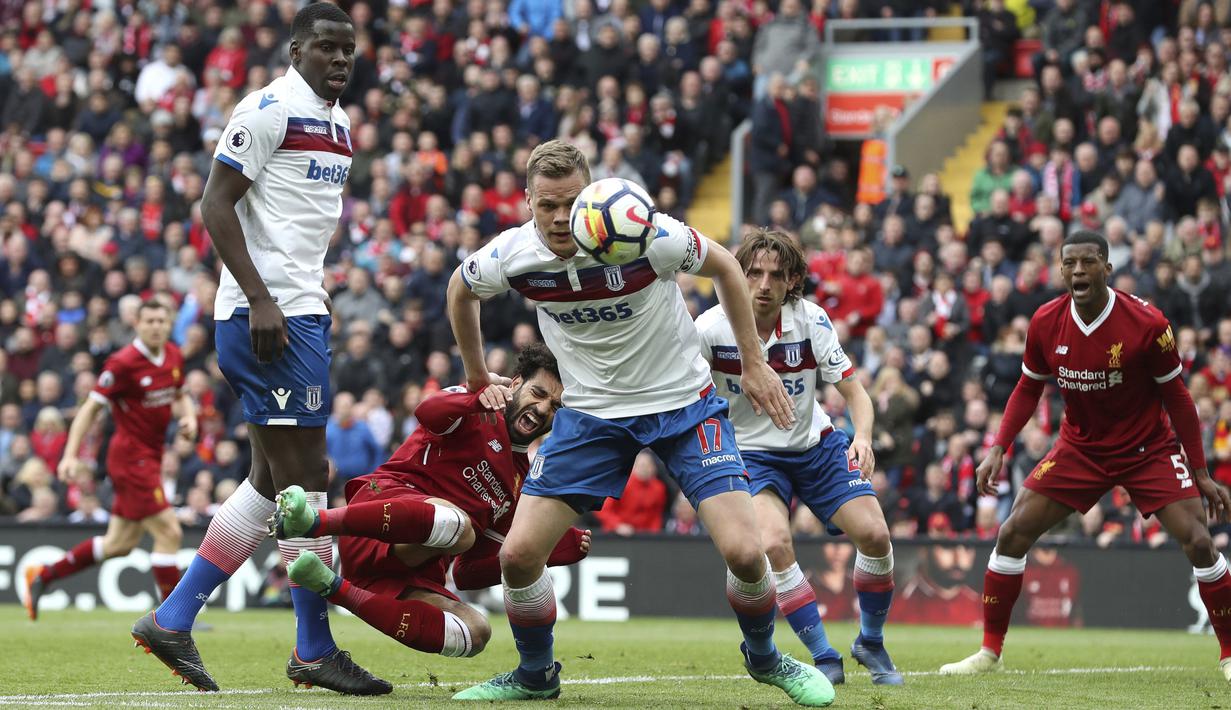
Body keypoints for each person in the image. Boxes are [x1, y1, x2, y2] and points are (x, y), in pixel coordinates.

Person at [447, 140, 833, 705]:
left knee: (748, 554)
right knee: (517, 556)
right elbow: (461, 289)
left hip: (682, 402)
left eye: (570, 203)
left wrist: (753, 363)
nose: (559, 218)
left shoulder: (643, 231)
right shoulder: (512, 255)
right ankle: (535, 676)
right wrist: (478, 374)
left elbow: (726, 265)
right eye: (546, 205)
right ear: (526, 200)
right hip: (592, 414)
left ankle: (766, 656)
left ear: (590, 196)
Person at [130, 4, 389, 696]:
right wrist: (263, 297)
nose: (340, 60)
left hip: (299, 307)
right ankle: (312, 648)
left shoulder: (336, 122)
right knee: (309, 480)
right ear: (297, 49)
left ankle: (173, 616)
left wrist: (311, 290)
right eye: (327, 48)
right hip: (265, 318)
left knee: (274, 482)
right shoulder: (268, 108)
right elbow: (215, 205)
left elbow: (294, 224)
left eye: (349, 50)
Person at [940, 231, 1231, 681]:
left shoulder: (1148, 323)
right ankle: (989, 652)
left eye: (1088, 262)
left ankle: (1229, 653)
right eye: (1070, 263)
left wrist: (1200, 472)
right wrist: (998, 447)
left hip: (1146, 448)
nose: (1078, 271)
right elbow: (1028, 387)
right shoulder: (1044, 321)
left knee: (1198, 540)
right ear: (1061, 270)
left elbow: (1178, 398)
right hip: (1081, 449)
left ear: (1106, 268)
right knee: (1013, 531)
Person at [268, 344, 591, 660]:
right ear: (516, 383)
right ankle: (314, 522)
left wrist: (545, 551)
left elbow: (468, 574)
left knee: (475, 633)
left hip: (406, 572)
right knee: (461, 528)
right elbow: (426, 411)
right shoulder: (476, 406)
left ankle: (331, 587)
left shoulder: (525, 485)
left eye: (556, 405)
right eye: (538, 393)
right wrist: (472, 394)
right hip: (375, 514)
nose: (544, 408)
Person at [695, 229, 902, 686]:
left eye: (776, 275)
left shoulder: (811, 321)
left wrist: (862, 437)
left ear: (793, 280)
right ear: (737, 275)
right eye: (753, 273)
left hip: (815, 445)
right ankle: (824, 653)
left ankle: (870, 640)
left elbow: (855, 393)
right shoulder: (710, 329)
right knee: (774, 544)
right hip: (750, 454)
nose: (764, 285)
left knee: (875, 535)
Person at [23, 300, 195, 619]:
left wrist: (190, 420)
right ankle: (174, 619)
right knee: (169, 532)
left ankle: (43, 575)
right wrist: (70, 455)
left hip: (151, 457)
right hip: (129, 460)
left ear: (169, 324)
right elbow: (89, 409)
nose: (156, 326)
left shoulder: (172, 355)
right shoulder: (123, 363)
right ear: (137, 324)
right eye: (150, 320)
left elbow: (181, 394)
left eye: (162, 320)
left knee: (119, 544)